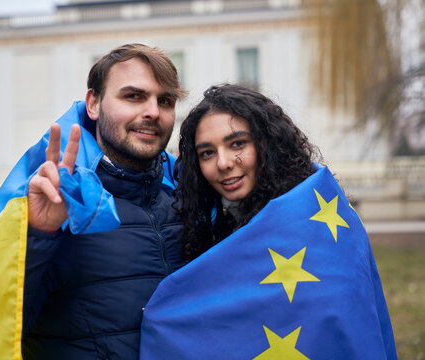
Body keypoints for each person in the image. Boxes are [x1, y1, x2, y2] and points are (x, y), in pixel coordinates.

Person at [140, 84, 397, 359]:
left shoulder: (320, 224)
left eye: (237, 143)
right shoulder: (218, 230)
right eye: (207, 153)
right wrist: (168, 316)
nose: (223, 162)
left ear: (268, 143)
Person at [10, 43, 186, 359]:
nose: (153, 112)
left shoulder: (186, 203)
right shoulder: (53, 200)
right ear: (94, 103)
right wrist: (40, 235)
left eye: (166, 100)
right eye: (133, 96)